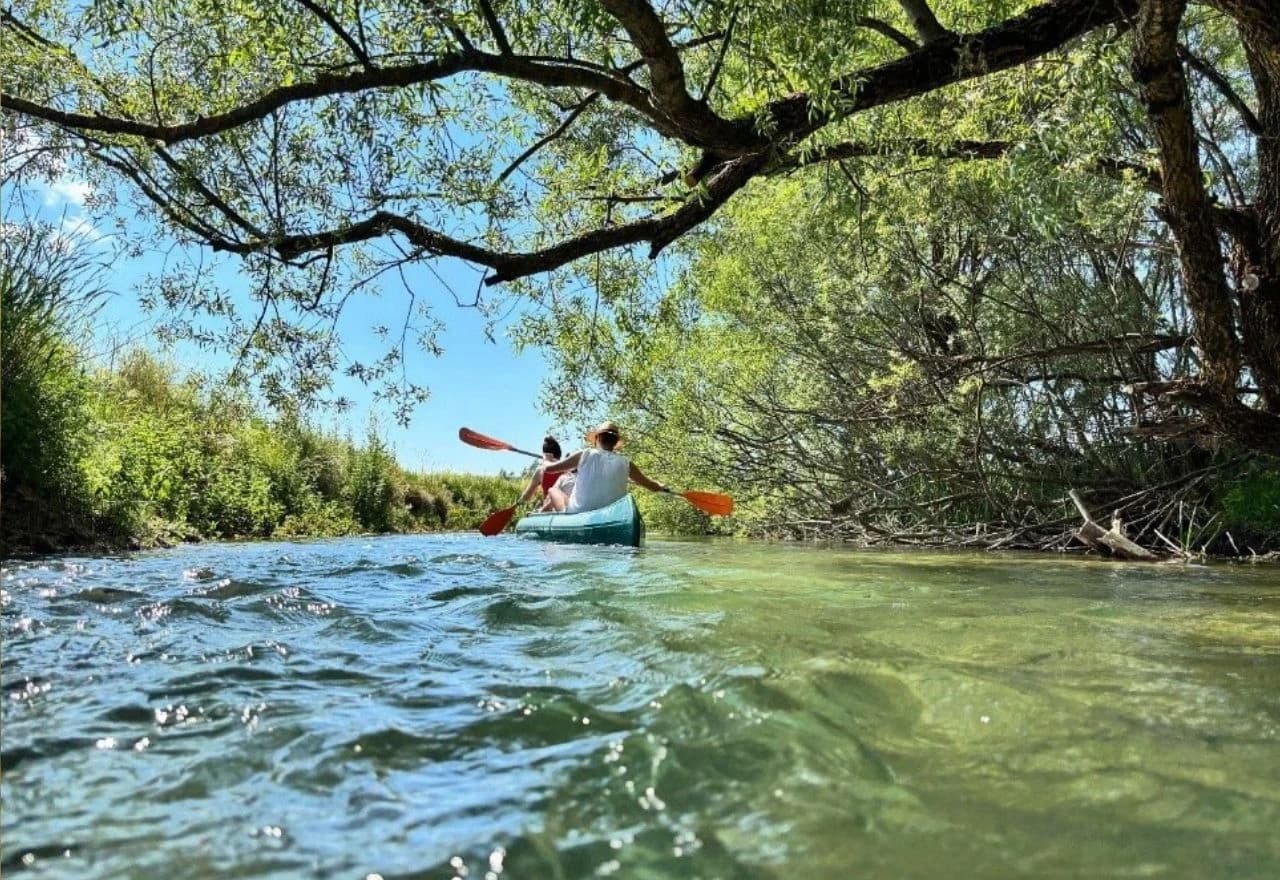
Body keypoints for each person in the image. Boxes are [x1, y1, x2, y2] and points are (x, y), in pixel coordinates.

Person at [539, 420, 672, 513]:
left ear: (597, 439)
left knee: (553, 490)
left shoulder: (584, 454)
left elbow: (550, 469)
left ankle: (556, 515)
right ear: (615, 443)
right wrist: (661, 486)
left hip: (579, 512)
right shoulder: (626, 463)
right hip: (611, 514)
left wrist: (546, 460)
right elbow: (651, 485)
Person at [514, 436, 564, 510]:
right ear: (559, 453)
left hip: (549, 512)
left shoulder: (540, 470)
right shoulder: (568, 467)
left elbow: (527, 495)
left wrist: (517, 504)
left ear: (544, 454)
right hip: (567, 510)